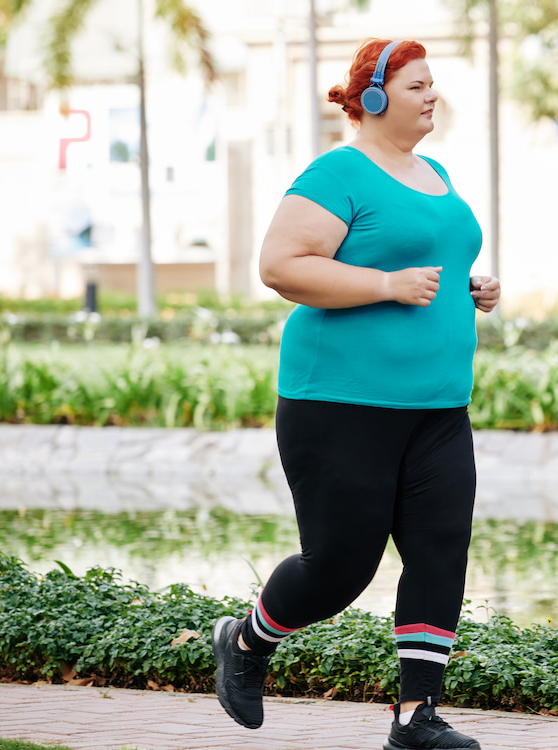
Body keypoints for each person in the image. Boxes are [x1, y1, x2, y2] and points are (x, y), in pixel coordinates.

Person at [212, 37, 499, 750]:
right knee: (341, 566)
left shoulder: (433, 172)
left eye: (434, 85)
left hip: (436, 409)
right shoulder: (337, 171)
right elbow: (280, 266)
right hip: (339, 406)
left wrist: (474, 287)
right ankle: (246, 643)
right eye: (416, 86)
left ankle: (415, 718)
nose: (432, 96)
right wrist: (384, 286)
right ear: (373, 98)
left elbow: (427, 265)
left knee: (439, 551)